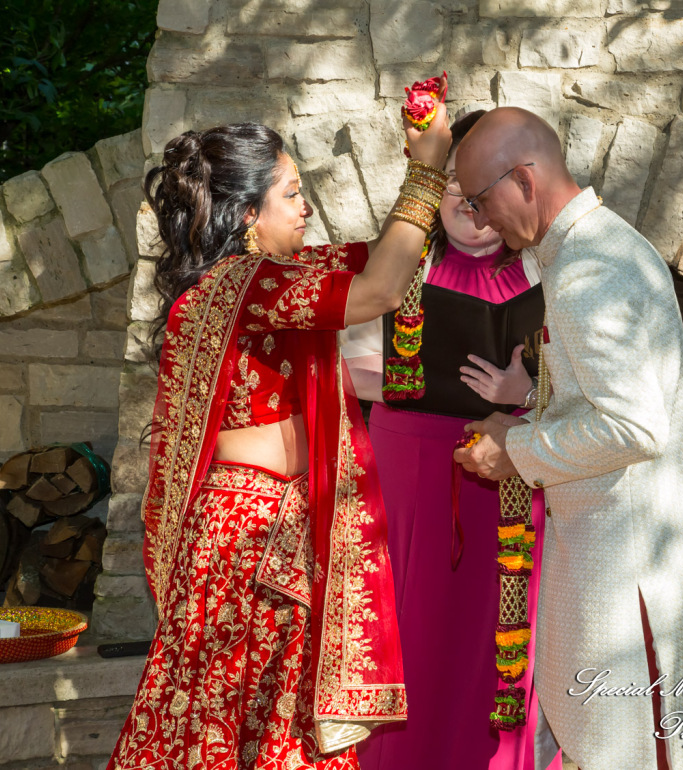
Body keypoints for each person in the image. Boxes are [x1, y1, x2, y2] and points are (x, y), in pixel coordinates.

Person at [107, 98, 453, 770]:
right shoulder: (249, 286)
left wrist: (428, 184)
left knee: (251, 724)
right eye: (291, 194)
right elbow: (381, 289)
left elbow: (385, 259)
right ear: (245, 216)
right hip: (250, 537)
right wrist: (429, 171)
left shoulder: (249, 286)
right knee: (256, 725)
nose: (305, 209)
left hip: (250, 530)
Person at [452, 107, 683, 770]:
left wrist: (514, 453)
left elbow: (631, 426)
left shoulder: (588, 272)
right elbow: (608, 401)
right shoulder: (605, 243)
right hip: (641, 555)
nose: (478, 218)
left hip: (630, 582)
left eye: (481, 199)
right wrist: (525, 419)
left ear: (524, 181)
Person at [344, 110, 547, 770]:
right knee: (410, 627)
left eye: (480, 187)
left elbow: (587, 395)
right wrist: (403, 381)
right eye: (456, 181)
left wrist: (523, 393)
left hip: (503, 472)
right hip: (410, 470)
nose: (469, 202)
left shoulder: (548, 271)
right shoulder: (398, 261)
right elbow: (341, 366)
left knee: (487, 637)